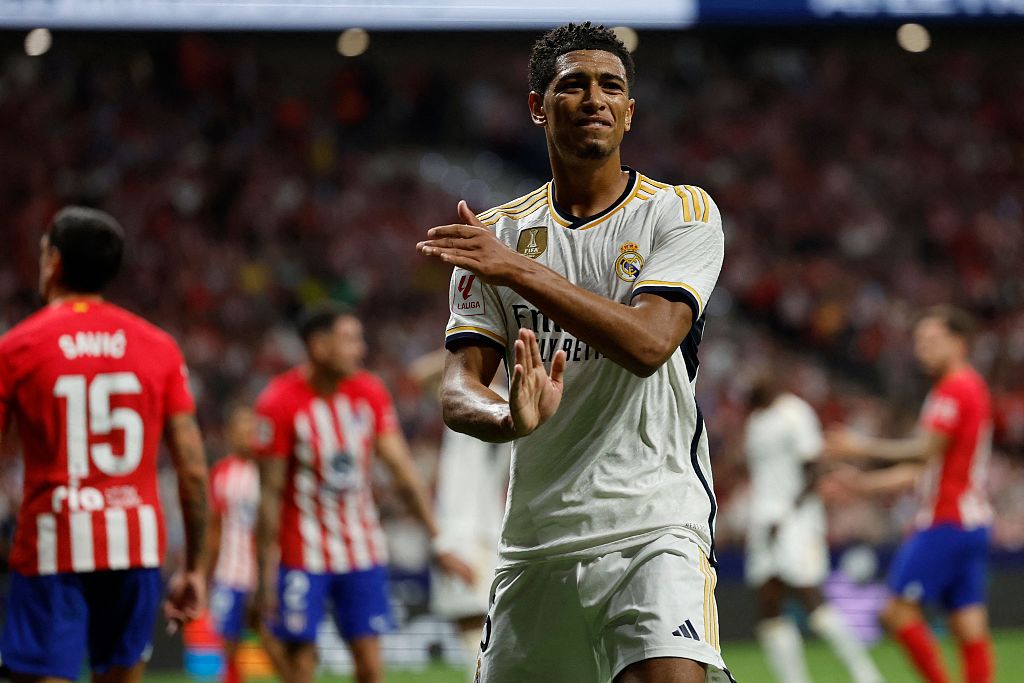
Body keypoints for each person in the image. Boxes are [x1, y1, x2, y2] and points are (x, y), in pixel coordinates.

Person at [417, 22, 734, 683]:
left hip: (655, 523)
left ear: (629, 112)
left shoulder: (680, 212)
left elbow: (649, 343)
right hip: (537, 538)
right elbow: (456, 386)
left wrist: (521, 273)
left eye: (611, 86)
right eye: (574, 85)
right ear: (537, 106)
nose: (595, 97)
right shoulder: (498, 235)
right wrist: (508, 417)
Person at [0, 206, 209, 681]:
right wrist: (195, 568)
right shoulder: (158, 346)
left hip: (53, 544)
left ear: (53, 261)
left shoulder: (17, 348)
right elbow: (193, 470)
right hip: (134, 547)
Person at [251, 303, 472, 683]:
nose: (360, 349)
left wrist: (439, 542)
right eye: (350, 339)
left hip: (361, 551)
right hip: (301, 554)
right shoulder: (278, 402)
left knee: (370, 666)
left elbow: (403, 473)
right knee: (299, 666)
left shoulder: (368, 392)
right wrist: (264, 574)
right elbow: (269, 495)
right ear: (319, 346)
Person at [825, 306, 995, 683]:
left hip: (946, 521)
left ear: (959, 343)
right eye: (919, 342)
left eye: (932, 341)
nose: (923, 349)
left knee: (895, 612)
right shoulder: (963, 388)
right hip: (972, 522)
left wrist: (859, 446)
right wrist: (861, 484)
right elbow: (921, 469)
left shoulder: (956, 388)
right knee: (968, 624)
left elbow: (922, 451)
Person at [743, 379, 883, 683]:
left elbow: (813, 467)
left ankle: (866, 675)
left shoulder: (795, 413)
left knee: (811, 598)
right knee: (769, 603)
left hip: (797, 519)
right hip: (764, 519)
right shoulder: (755, 420)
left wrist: (788, 511)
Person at [411, 349, 511, 682]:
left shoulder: (512, 399)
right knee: (472, 623)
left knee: (490, 625)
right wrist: (471, 347)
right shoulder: (460, 395)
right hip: (458, 529)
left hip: (488, 528)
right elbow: (417, 374)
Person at [206, 404, 284, 683]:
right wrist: (205, 576)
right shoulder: (221, 473)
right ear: (230, 434)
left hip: (265, 572)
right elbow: (214, 529)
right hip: (230, 572)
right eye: (241, 429)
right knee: (228, 643)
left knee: (270, 639)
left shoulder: (270, 470)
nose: (247, 435)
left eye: (252, 429)